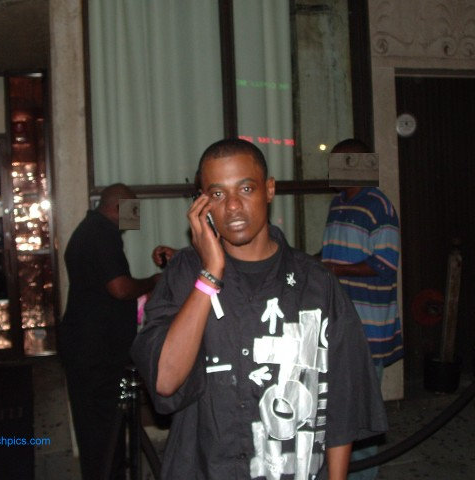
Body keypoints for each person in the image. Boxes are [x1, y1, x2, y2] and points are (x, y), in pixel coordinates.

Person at [132, 139, 387, 479]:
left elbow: (342, 399)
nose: (233, 206)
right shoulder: (184, 273)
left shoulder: (317, 283)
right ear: (202, 203)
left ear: (269, 190)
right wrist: (210, 274)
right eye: (218, 193)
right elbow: (165, 380)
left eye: (246, 188)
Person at [58, 183, 160, 480]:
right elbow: (119, 287)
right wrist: (152, 282)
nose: (136, 217)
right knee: (101, 428)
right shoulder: (101, 234)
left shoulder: (91, 230)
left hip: (89, 346)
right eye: (133, 210)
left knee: (98, 427)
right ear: (119, 207)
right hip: (93, 351)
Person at [321, 138, 404, 480]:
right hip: (341, 323)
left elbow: (385, 264)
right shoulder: (338, 203)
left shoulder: (378, 206)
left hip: (369, 327)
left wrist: (335, 270)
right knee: (341, 409)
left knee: (364, 414)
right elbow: (332, 255)